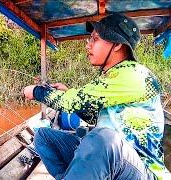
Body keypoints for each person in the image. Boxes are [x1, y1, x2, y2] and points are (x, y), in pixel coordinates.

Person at [23, 14, 169, 179]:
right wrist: (67, 92)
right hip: (111, 160)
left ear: (117, 45)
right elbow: (93, 116)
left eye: (95, 39)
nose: (88, 45)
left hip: (143, 171)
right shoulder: (113, 76)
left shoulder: (135, 75)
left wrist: (36, 91)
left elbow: (71, 102)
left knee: (101, 138)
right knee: (43, 136)